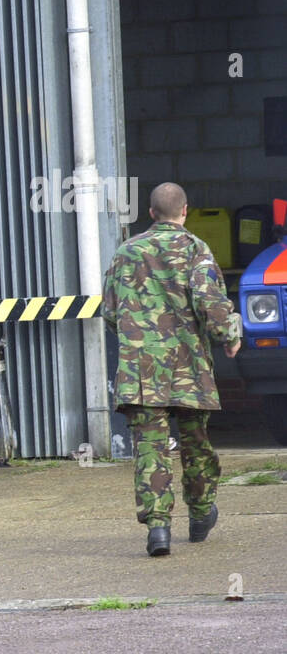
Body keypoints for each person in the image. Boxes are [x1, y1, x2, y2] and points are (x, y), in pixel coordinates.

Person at [101, 182, 242, 557]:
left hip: (140, 371)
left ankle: (158, 529)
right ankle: (200, 515)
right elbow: (210, 303)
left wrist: (137, 339)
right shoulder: (196, 249)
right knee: (196, 443)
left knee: (151, 447)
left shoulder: (126, 252)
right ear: (185, 211)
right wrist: (229, 334)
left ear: (150, 214)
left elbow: (110, 312)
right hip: (188, 369)